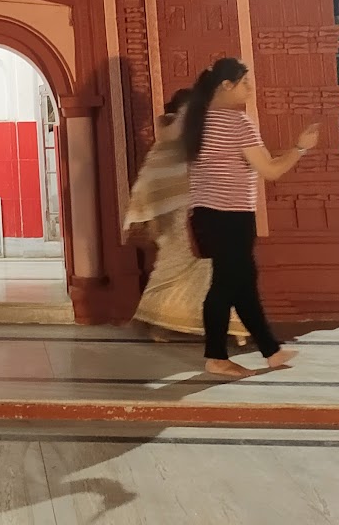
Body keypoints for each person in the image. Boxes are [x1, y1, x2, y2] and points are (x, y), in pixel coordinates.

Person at [182, 58, 319, 378]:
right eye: (245, 83)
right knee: (226, 285)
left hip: (207, 213)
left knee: (242, 283)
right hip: (231, 215)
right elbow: (271, 170)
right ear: (225, 86)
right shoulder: (236, 122)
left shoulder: (197, 120)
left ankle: (271, 350)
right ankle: (216, 357)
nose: (250, 89)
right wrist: (300, 148)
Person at [124, 88, 247, 345]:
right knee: (171, 269)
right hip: (174, 218)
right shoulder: (168, 144)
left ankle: (231, 325)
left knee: (215, 267)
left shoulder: (195, 140)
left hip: (201, 212)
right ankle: (159, 321)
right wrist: (151, 218)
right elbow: (149, 183)